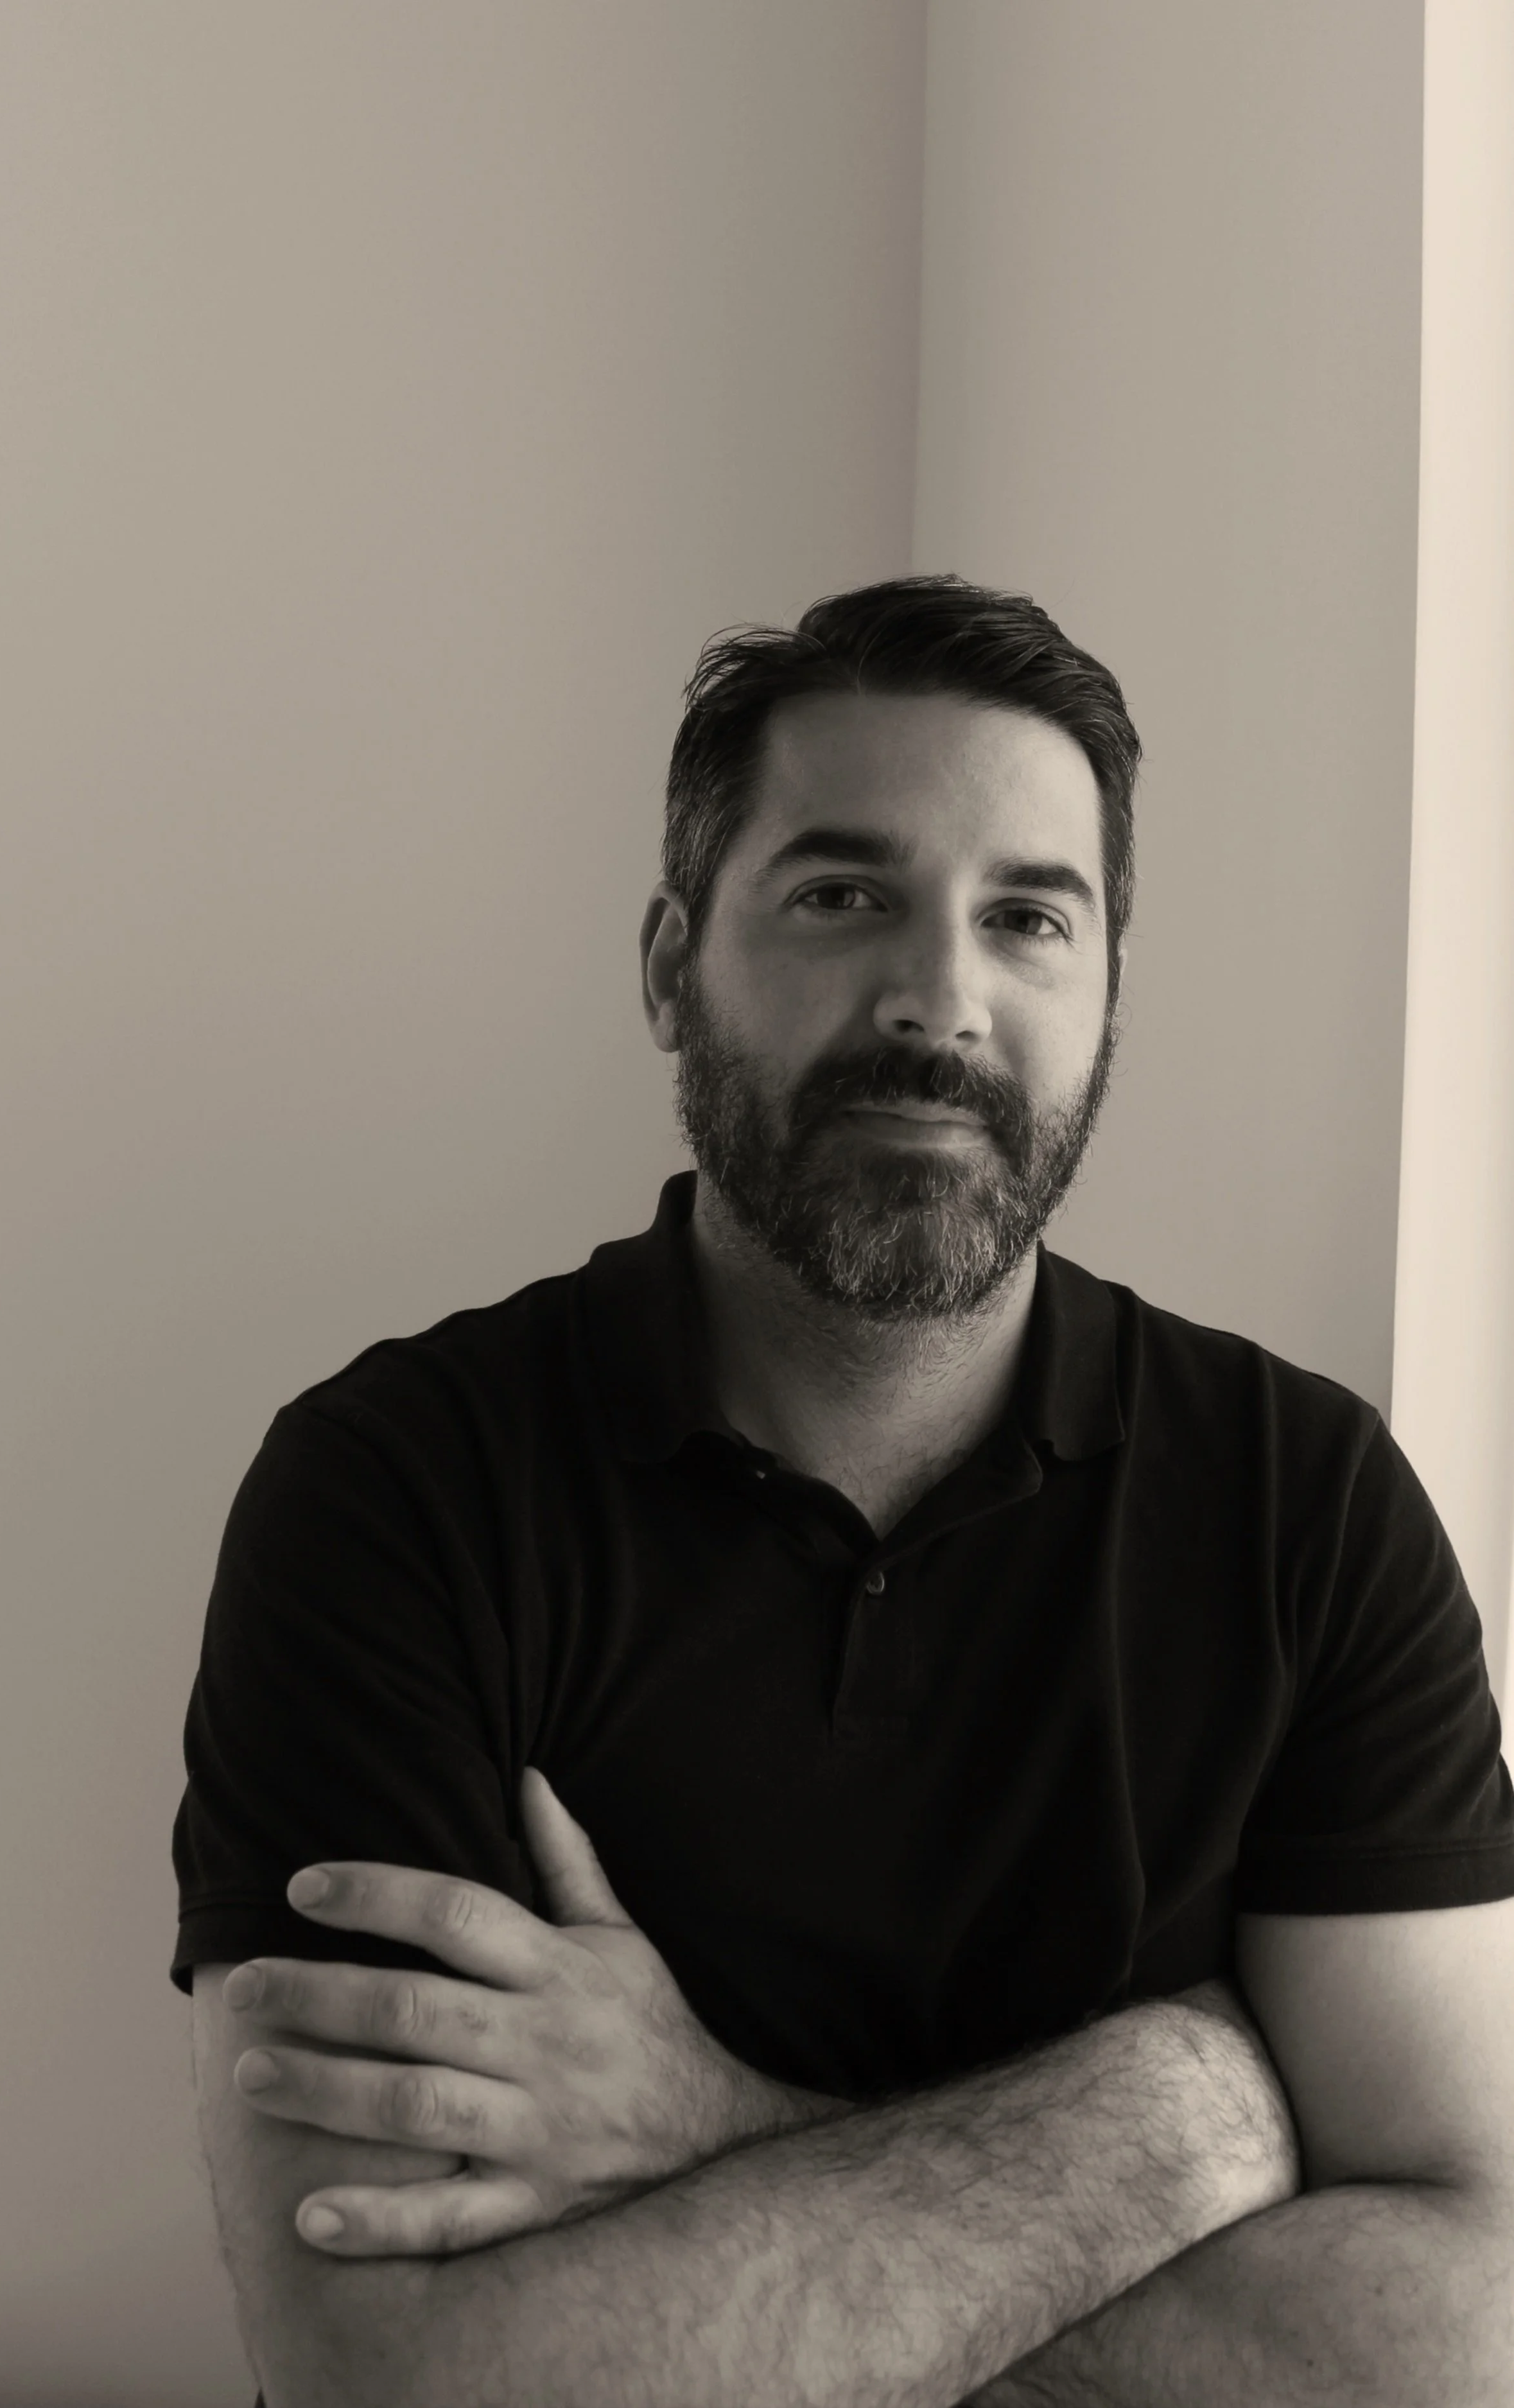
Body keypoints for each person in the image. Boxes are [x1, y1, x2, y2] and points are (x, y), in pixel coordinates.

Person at [175, 578, 1514, 2407]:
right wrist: (1163, 2125)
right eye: (841, 895)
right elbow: (396, 2371)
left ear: (1109, 989)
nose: (935, 999)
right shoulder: (399, 1489)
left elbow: (1455, 2325)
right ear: (669, 963)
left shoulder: (1308, 1500)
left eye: (1027, 917)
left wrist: (720, 2127)